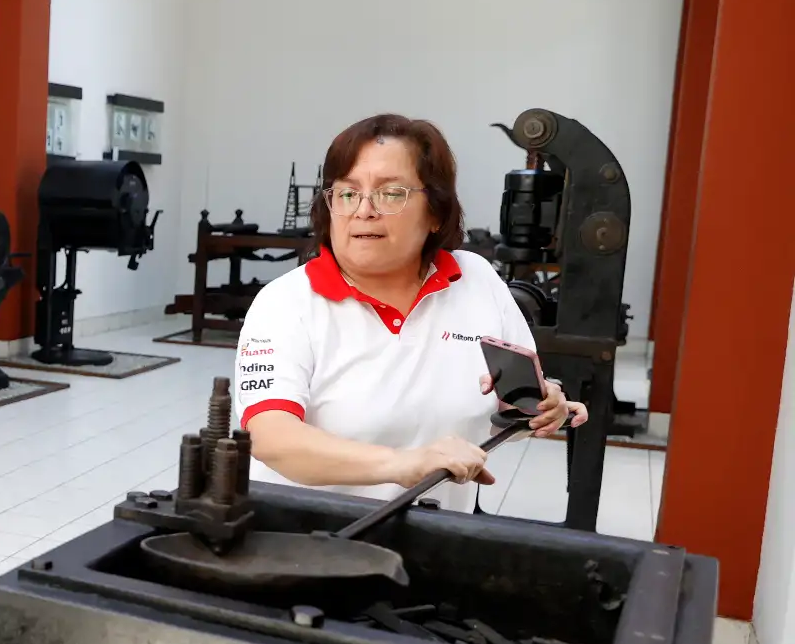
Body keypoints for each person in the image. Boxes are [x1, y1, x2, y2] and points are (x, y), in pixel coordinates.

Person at [232, 113, 582, 510]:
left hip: (435, 536)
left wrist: (542, 406)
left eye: (390, 193)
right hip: (307, 541)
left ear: (435, 212)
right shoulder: (287, 303)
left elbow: (510, 410)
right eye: (347, 193)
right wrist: (403, 464)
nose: (363, 210)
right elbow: (272, 437)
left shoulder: (476, 280)